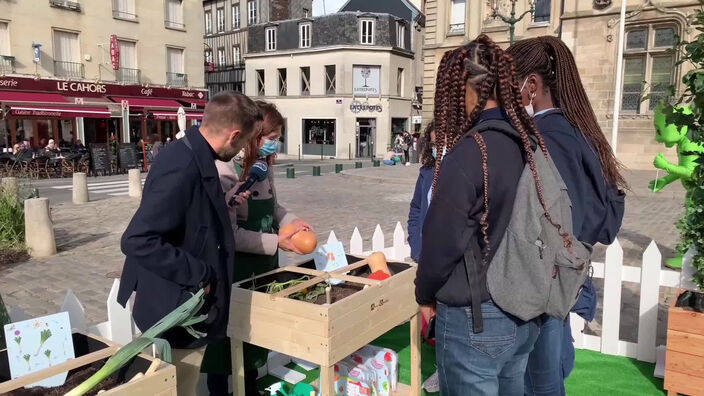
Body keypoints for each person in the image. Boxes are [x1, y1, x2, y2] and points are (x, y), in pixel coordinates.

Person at [415, 34, 554, 395]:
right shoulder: (529, 143)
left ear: (467, 87)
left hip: (476, 316)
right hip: (524, 309)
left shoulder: (470, 151)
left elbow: (441, 240)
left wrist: (424, 294)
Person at [117, 91, 262, 395]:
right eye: (243, 142)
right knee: (181, 387)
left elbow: (186, 217)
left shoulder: (192, 152)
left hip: (182, 305)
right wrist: (202, 275)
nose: (241, 150)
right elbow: (137, 239)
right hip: (176, 309)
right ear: (233, 134)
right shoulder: (183, 164)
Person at [507, 36, 627, 396]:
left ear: (532, 85)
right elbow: (604, 215)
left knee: (540, 383)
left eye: (512, 84)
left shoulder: (546, 136)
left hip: (544, 284)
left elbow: (545, 216)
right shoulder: (576, 130)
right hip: (566, 279)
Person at [203, 100, 314, 396]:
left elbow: (274, 207)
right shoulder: (226, 169)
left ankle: (250, 388)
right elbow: (231, 234)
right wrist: (277, 241)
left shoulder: (264, 165)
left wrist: (293, 221)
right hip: (235, 268)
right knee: (225, 343)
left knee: (255, 333)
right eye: (272, 138)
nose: (275, 145)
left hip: (263, 267)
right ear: (254, 135)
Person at [406, 120, 439, 392]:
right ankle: (441, 363)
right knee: (430, 310)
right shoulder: (426, 171)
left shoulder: (461, 168)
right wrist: (415, 246)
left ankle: (446, 366)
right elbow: (416, 208)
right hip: (426, 255)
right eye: (434, 142)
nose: (439, 147)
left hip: (448, 257)